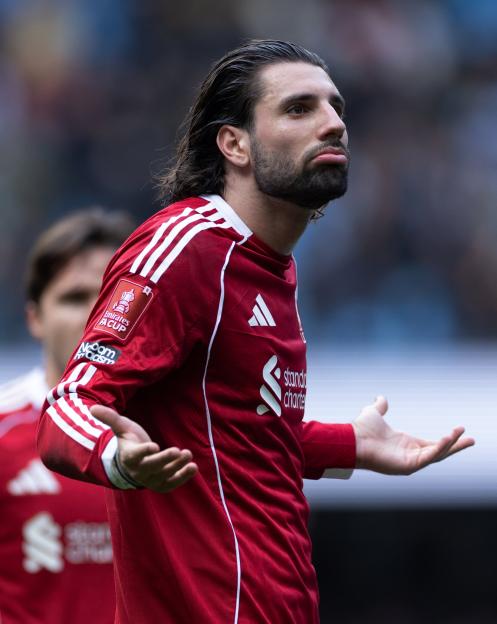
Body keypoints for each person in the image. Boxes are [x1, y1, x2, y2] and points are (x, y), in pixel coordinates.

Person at [37, 40, 474, 624]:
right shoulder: (186, 247)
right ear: (235, 143)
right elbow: (67, 405)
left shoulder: (274, 265)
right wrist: (117, 458)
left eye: (335, 106)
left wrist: (351, 446)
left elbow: (233, 436)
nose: (333, 124)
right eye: (300, 108)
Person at [0, 208, 135, 623]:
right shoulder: (3, 433)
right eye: (75, 297)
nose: (96, 315)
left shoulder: (185, 433)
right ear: (35, 318)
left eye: (110, 297)